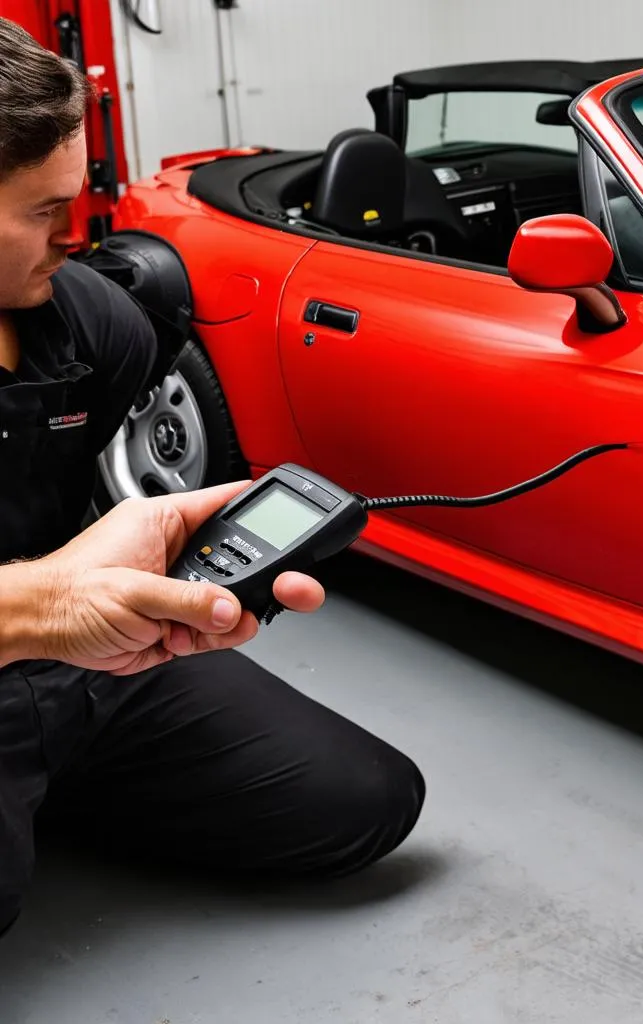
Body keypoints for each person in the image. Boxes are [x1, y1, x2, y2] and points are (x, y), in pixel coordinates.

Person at [0, 17, 425, 936]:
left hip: (86, 661)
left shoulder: (91, 327)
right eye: (42, 212)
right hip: (33, 631)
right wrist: (37, 609)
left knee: (364, 800)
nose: (73, 236)